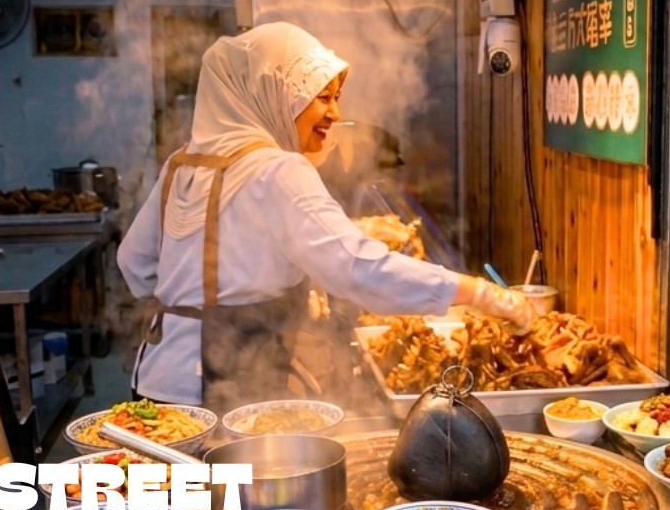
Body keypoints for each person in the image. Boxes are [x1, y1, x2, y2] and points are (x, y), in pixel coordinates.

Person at [118, 22, 534, 412]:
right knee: (231, 493)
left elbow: (134, 265)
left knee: (175, 491)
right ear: (276, 92)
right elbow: (358, 268)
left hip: (156, 379)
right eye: (321, 96)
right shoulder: (277, 169)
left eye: (337, 97)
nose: (334, 113)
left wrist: (190, 304)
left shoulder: (184, 162)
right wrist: (483, 294)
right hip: (219, 388)